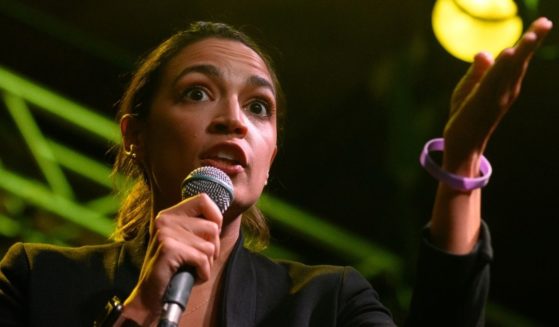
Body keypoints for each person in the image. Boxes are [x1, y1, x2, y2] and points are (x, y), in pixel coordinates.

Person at [0, 17, 552, 326]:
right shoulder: (37, 281)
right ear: (135, 136)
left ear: (271, 155)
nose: (234, 120)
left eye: (258, 106)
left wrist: (458, 164)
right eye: (198, 93)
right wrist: (143, 309)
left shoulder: (323, 305)